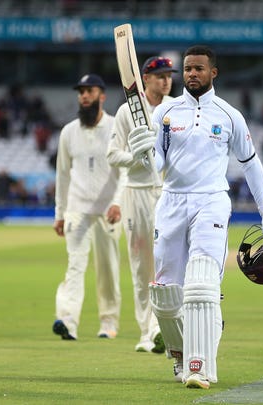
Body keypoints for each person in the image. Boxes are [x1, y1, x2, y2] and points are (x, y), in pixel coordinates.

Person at [126, 45, 263, 389]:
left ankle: (199, 367)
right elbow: (157, 165)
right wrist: (142, 154)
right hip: (171, 201)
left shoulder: (228, 115)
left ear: (213, 72)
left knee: (201, 284)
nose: (191, 74)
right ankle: (179, 354)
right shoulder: (165, 113)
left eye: (199, 69)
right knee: (165, 293)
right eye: (187, 69)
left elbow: (250, 164)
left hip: (212, 201)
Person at [106, 56, 178, 353]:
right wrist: (136, 157)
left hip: (167, 192)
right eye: (159, 75)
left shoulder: (175, 108)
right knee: (140, 267)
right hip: (135, 193)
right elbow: (112, 155)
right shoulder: (126, 111)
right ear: (144, 79)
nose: (166, 80)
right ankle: (146, 333)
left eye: (168, 75)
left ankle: (163, 327)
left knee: (166, 263)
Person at [52, 74, 123, 341]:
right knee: (75, 265)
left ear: (102, 95)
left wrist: (118, 202)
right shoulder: (69, 131)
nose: (84, 96)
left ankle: (109, 323)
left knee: (108, 269)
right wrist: (60, 213)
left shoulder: (116, 127)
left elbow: (124, 171)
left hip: (109, 209)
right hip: (77, 207)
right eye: (81, 91)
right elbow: (62, 175)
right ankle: (67, 322)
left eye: (89, 91)